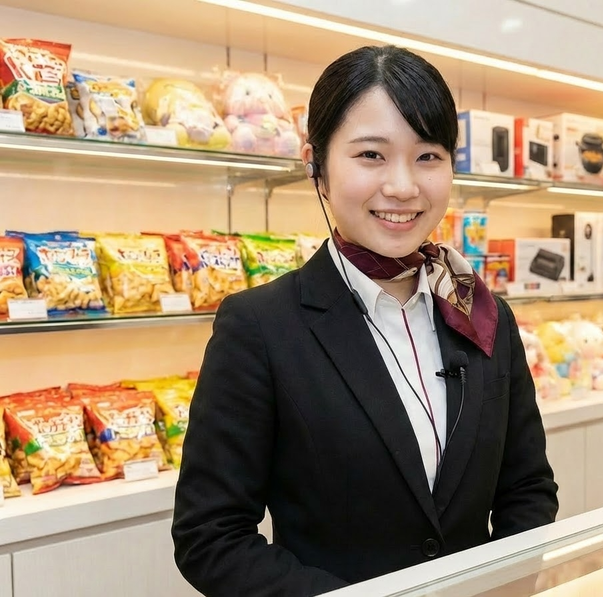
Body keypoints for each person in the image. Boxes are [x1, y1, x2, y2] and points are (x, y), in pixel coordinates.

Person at [172, 44, 558, 597]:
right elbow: (211, 537)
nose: (403, 186)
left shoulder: (481, 312)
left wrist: (505, 587)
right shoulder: (259, 327)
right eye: (372, 155)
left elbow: (528, 488)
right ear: (316, 166)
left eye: (428, 156)